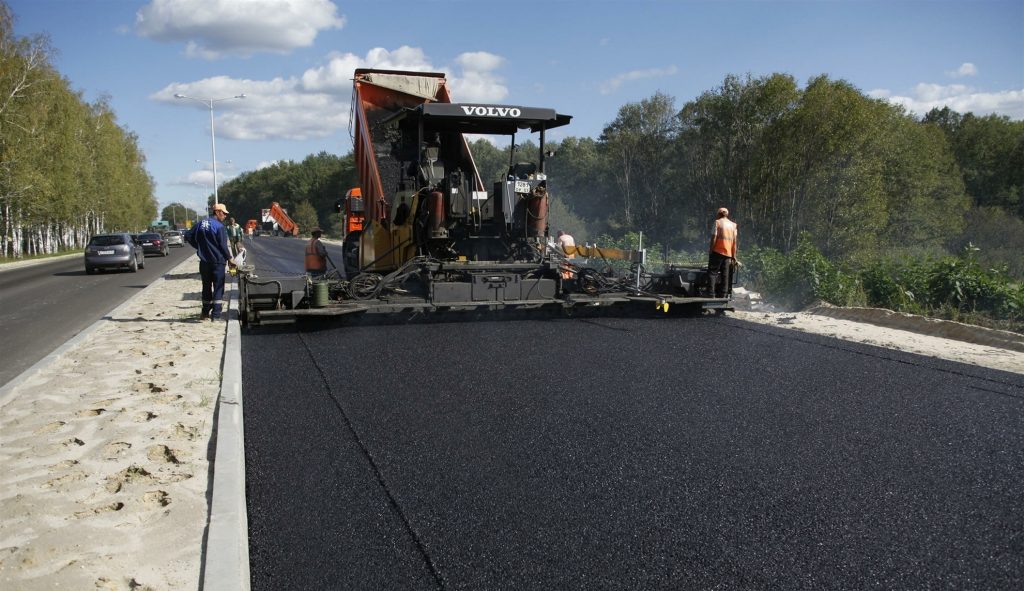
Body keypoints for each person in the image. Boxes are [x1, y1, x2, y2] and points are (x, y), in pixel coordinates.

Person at [185, 203, 235, 321]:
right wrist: (230, 259)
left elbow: (188, 236)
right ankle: (216, 315)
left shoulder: (200, 224)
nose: (225, 216)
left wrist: (199, 247)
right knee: (218, 287)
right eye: (224, 213)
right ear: (217, 212)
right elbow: (223, 245)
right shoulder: (219, 226)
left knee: (206, 287)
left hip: (204, 262)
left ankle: (205, 312)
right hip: (218, 262)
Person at [708, 207, 738, 298]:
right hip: (728, 254)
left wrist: (711, 250)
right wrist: (734, 256)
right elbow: (734, 242)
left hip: (717, 251)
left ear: (719, 214)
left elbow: (714, 237)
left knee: (712, 273)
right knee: (725, 274)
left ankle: (711, 294)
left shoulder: (717, 223)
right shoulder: (733, 225)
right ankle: (723, 294)